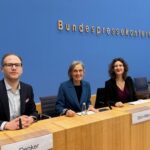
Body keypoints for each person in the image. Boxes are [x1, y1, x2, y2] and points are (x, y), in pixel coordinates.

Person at [0, 53, 38, 130]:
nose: (14, 68)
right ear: (2, 69)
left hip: (23, 133)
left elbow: (34, 112)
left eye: (17, 65)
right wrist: (5, 125)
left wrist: (31, 119)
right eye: (9, 65)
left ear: (22, 69)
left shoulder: (28, 89)